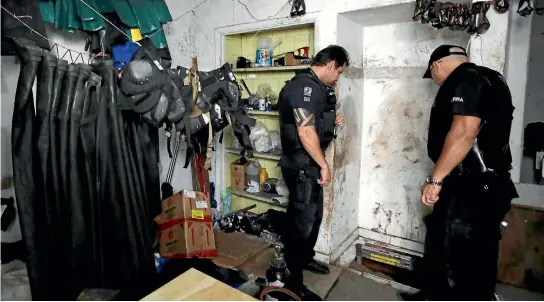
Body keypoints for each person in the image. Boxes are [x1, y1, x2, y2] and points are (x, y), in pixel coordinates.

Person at [399, 45, 519, 301]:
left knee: (460, 256)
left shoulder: (465, 80)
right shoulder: (491, 78)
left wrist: (435, 179)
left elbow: (465, 132)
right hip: (482, 184)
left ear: (436, 66)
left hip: (471, 187)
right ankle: (434, 294)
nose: (434, 81)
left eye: (431, 75)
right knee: (455, 245)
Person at [278, 45, 348, 300]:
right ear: (331, 65)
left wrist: (333, 117)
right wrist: (324, 164)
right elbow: (305, 131)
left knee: (313, 218)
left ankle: (303, 260)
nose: (338, 77)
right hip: (301, 165)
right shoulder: (303, 87)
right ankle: (290, 281)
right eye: (339, 72)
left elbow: (316, 118)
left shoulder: (318, 88)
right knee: (301, 226)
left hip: (308, 165)